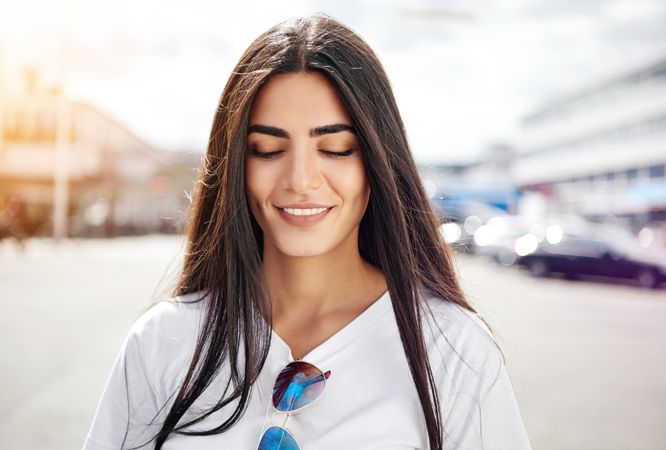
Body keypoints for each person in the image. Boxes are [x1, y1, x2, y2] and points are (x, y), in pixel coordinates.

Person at [83, 14, 532, 450]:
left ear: (377, 161)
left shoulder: (454, 349)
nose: (300, 178)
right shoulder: (163, 340)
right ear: (237, 164)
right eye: (268, 149)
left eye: (335, 148)